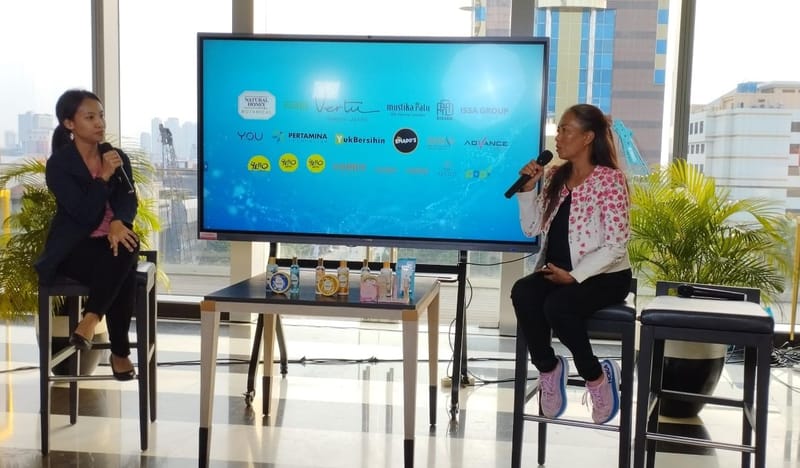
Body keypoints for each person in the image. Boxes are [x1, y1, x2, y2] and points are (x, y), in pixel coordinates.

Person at [510, 103, 632, 424]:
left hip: (605, 275)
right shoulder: (555, 176)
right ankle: (549, 369)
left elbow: (616, 246)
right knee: (523, 292)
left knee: (558, 307)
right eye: (559, 130)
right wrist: (527, 190)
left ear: (588, 137)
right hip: (558, 271)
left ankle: (596, 377)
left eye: (566, 130)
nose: (558, 137)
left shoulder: (610, 180)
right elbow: (531, 228)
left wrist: (575, 276)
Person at [34, 89, 140, 381]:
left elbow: (129, 198)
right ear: (69, 124)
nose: (99, 123)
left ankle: (90, 320)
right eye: (90, 117)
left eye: (101, 116)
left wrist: (119, 221)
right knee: (123, 267)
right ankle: (119, 352)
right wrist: (103, 176)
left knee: (125, 245)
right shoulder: (59, 165)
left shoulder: (116, 157)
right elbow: (82, 213)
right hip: (74, 247)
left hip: (111, 243)